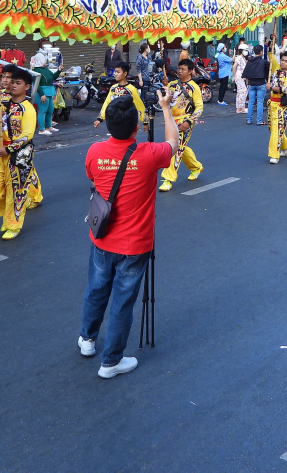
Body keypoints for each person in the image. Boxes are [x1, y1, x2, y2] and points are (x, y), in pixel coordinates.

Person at [79, 88, 180, 378]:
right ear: (138, 127)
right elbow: (173, 142)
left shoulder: (94, 151)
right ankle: (111, 361)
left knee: (96, 288)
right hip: (135, 244)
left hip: (102, 236)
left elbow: (92, 177)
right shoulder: (149, 154)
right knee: (123, 300)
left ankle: (87, 340)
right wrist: (165, 107)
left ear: (109, 125)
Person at [0, 66, 40, 239]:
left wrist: (8, 149)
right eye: (12, 82)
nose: (13, 85)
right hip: (1, 154)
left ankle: (13, 225)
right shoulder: (2, 102)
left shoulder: (28, 109)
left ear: (27, 87)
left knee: (17, 192)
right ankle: (7, 214)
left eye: (18, 83)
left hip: (18, 156)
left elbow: (27, 136)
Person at [159, 59, 203, 191]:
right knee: (180, 147)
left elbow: (199, 108)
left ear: (190, 71)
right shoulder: (172, 84)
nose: (179, 71)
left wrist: (188, 122)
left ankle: (168, 179)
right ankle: (196, 167)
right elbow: (166, 100)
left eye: (183, 69)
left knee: (174, 148)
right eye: (179, 68)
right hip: (171, 120)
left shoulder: (194, 87)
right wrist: (164, 88)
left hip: (185, 121)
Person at [95, 63, 147, 131]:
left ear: (125, 73)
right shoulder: (113, 88)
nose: (115, 74)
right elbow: (107, 103)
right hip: (114, 121)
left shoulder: (131, 89)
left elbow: (139, 105)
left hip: (127, 122)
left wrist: (145, 121)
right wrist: (100, 119)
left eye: (118, 72)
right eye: (115, 71)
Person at [268, 51, 287, 163]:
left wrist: (271, 88)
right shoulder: (276, 69)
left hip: (282, 106)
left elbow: (285, 90)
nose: (283, 63)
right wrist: (271, 43)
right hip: (272, 104)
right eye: (282, 60)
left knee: (276, 130)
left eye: (286, 61)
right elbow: (271, 57)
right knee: (273, 129)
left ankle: (274, 155)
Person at [32, 51, 61, 136]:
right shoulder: (37, 71)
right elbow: (37, 84)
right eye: (44, 61)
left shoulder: (46, 69)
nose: (46, 62)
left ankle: (49, 126)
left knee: (50, 110)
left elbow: (53, 77)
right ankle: (41, 129)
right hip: (42, 94)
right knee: (43, 111)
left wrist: (59, 71)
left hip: (49, 92)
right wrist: (42, 95)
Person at [242, 45, 269, 126]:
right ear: (261, 52)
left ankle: (249, 120)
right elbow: (269, 71)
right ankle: (259, 120)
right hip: (261, 83)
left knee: (251, 102)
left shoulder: (250, 61)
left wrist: (247, 83)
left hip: (251, 83)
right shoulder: (264, 62)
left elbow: (246, 73)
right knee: (260, 102)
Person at [233, 44, 249, 113]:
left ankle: (239, 108)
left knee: (240, 92)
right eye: (245, 50)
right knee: (243, 91)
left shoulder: (242, 58)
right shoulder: (239, 58)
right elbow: (234, 67)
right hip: (239, 76)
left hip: (241, 76)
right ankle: (242, 108)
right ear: (242, 50)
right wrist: (235, 76)